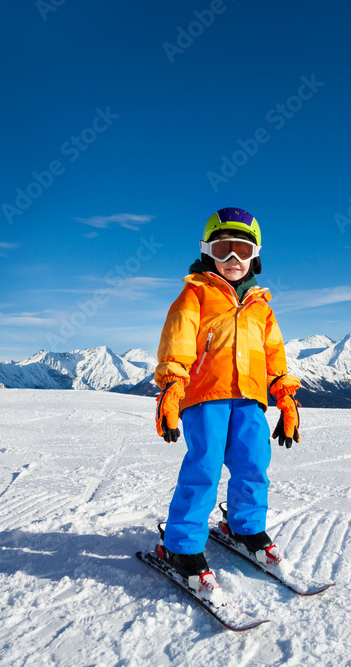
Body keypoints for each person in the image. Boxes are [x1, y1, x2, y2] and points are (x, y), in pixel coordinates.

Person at [152, 206, 302, 603]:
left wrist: (284, 396)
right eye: (223, 250)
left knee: (254, 464)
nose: (233, 260)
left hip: (252, 400)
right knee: (203, 468)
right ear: (206, 252)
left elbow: (274, 356)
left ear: (256, 256)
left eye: (242, 251)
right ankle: (182, 548)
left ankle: (245, 527)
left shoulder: (261, 307)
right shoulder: (195, 295)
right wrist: (171, 386)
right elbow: (177, 345)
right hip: (205, 398)